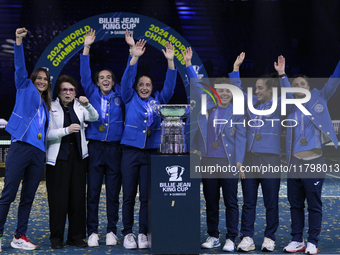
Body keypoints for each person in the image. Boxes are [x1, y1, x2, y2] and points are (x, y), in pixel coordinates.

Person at [276, 56, 340, 255]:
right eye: (295, 85)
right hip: (294, 162)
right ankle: (297, 239)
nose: (298, 87)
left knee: (314, 204)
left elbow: (334, 79)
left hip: (314, 162)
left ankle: (312, 241)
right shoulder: (290, 104)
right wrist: (282, 75)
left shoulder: (319, 97)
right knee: (295, 204)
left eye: (302, 84)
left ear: (309, 87)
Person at [184, 47, 246, 252]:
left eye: (228, 91)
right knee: (211, 201)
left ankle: (230, 237)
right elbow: (197, 87)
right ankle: (213, 236)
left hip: (228, 162)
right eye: (221, 90)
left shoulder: (236, 111)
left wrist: (239, 161)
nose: (225, 93)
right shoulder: (207, 106)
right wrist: (188, 64)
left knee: (231, 202)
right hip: (208, 161)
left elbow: (241, 137)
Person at [120, 30, 177, 249]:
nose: (144, 87)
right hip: (130, 151)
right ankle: (127, 233)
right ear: (137, 87)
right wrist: (134, 56)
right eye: (141, 85)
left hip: (152, 151)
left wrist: (170, 62)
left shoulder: (158, 101)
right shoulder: (128, 97)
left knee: (146, 196)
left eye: (148, 85)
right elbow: (126, 79)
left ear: (152, 89)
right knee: (128, 195)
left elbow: (170, 89)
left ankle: (143, 232)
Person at [0, 27, 51, 251]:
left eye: (45, 79)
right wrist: (19, 41)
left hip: (38, 152)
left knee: (28, 197)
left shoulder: (47, 106)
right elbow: (20, 67)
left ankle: (19, 236)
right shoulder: (24, 86)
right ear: (33, 79)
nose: (41, 81)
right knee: (8, 194)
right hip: (20, 146)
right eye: (39, 78)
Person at [229, 53, 282, 252]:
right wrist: (236, 70)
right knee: (248, 201)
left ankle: (269, 237)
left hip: (270, 158)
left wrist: (282, 75)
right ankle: (247, 237)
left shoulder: (279, 105)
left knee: (271, 202)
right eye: (256, 88)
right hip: (250, 158)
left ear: (270, 90)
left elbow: (287, 93)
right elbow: (239, 93)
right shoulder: (252, 105)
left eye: (260, 88)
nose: (257, 91)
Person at [80, 28, 124, 247]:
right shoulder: (91, 92)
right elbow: (84, 73)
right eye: (101, 78)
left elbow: (129, 77)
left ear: (113, 81)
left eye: (108, 78)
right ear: (96, 82)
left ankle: (111, 230)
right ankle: (93, 231)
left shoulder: (120, 96)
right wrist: (87, 47)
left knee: (113, 193)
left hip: (115, 149)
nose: (105, 80)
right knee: (94, 191)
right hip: (95, 147)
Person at [45, 74, 98, 249]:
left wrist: (87, 104)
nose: (68, 93)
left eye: (71, 89)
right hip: (58, 160)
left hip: (78, 159)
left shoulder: (80, 106)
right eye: (64, 90)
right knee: (58, 201)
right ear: (58, 92)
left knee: (77, 200)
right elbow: (48, 134)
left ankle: (76, 237)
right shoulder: (51, 107)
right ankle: (56, 238)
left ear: (75, 92)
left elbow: (95, 117)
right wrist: (66, 130)